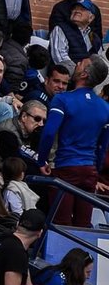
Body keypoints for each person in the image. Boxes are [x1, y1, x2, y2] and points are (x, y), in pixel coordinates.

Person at [36, 55, 109, 227]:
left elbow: (48, 133)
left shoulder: (63, 99)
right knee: (83, 225)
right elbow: (103, 145)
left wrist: (42, 160)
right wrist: (95, 170)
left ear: (84, 74)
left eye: (80, 63)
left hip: (65, 168)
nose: (76, 64)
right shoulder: (105, 107)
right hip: (89, 170)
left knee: (61, 223)